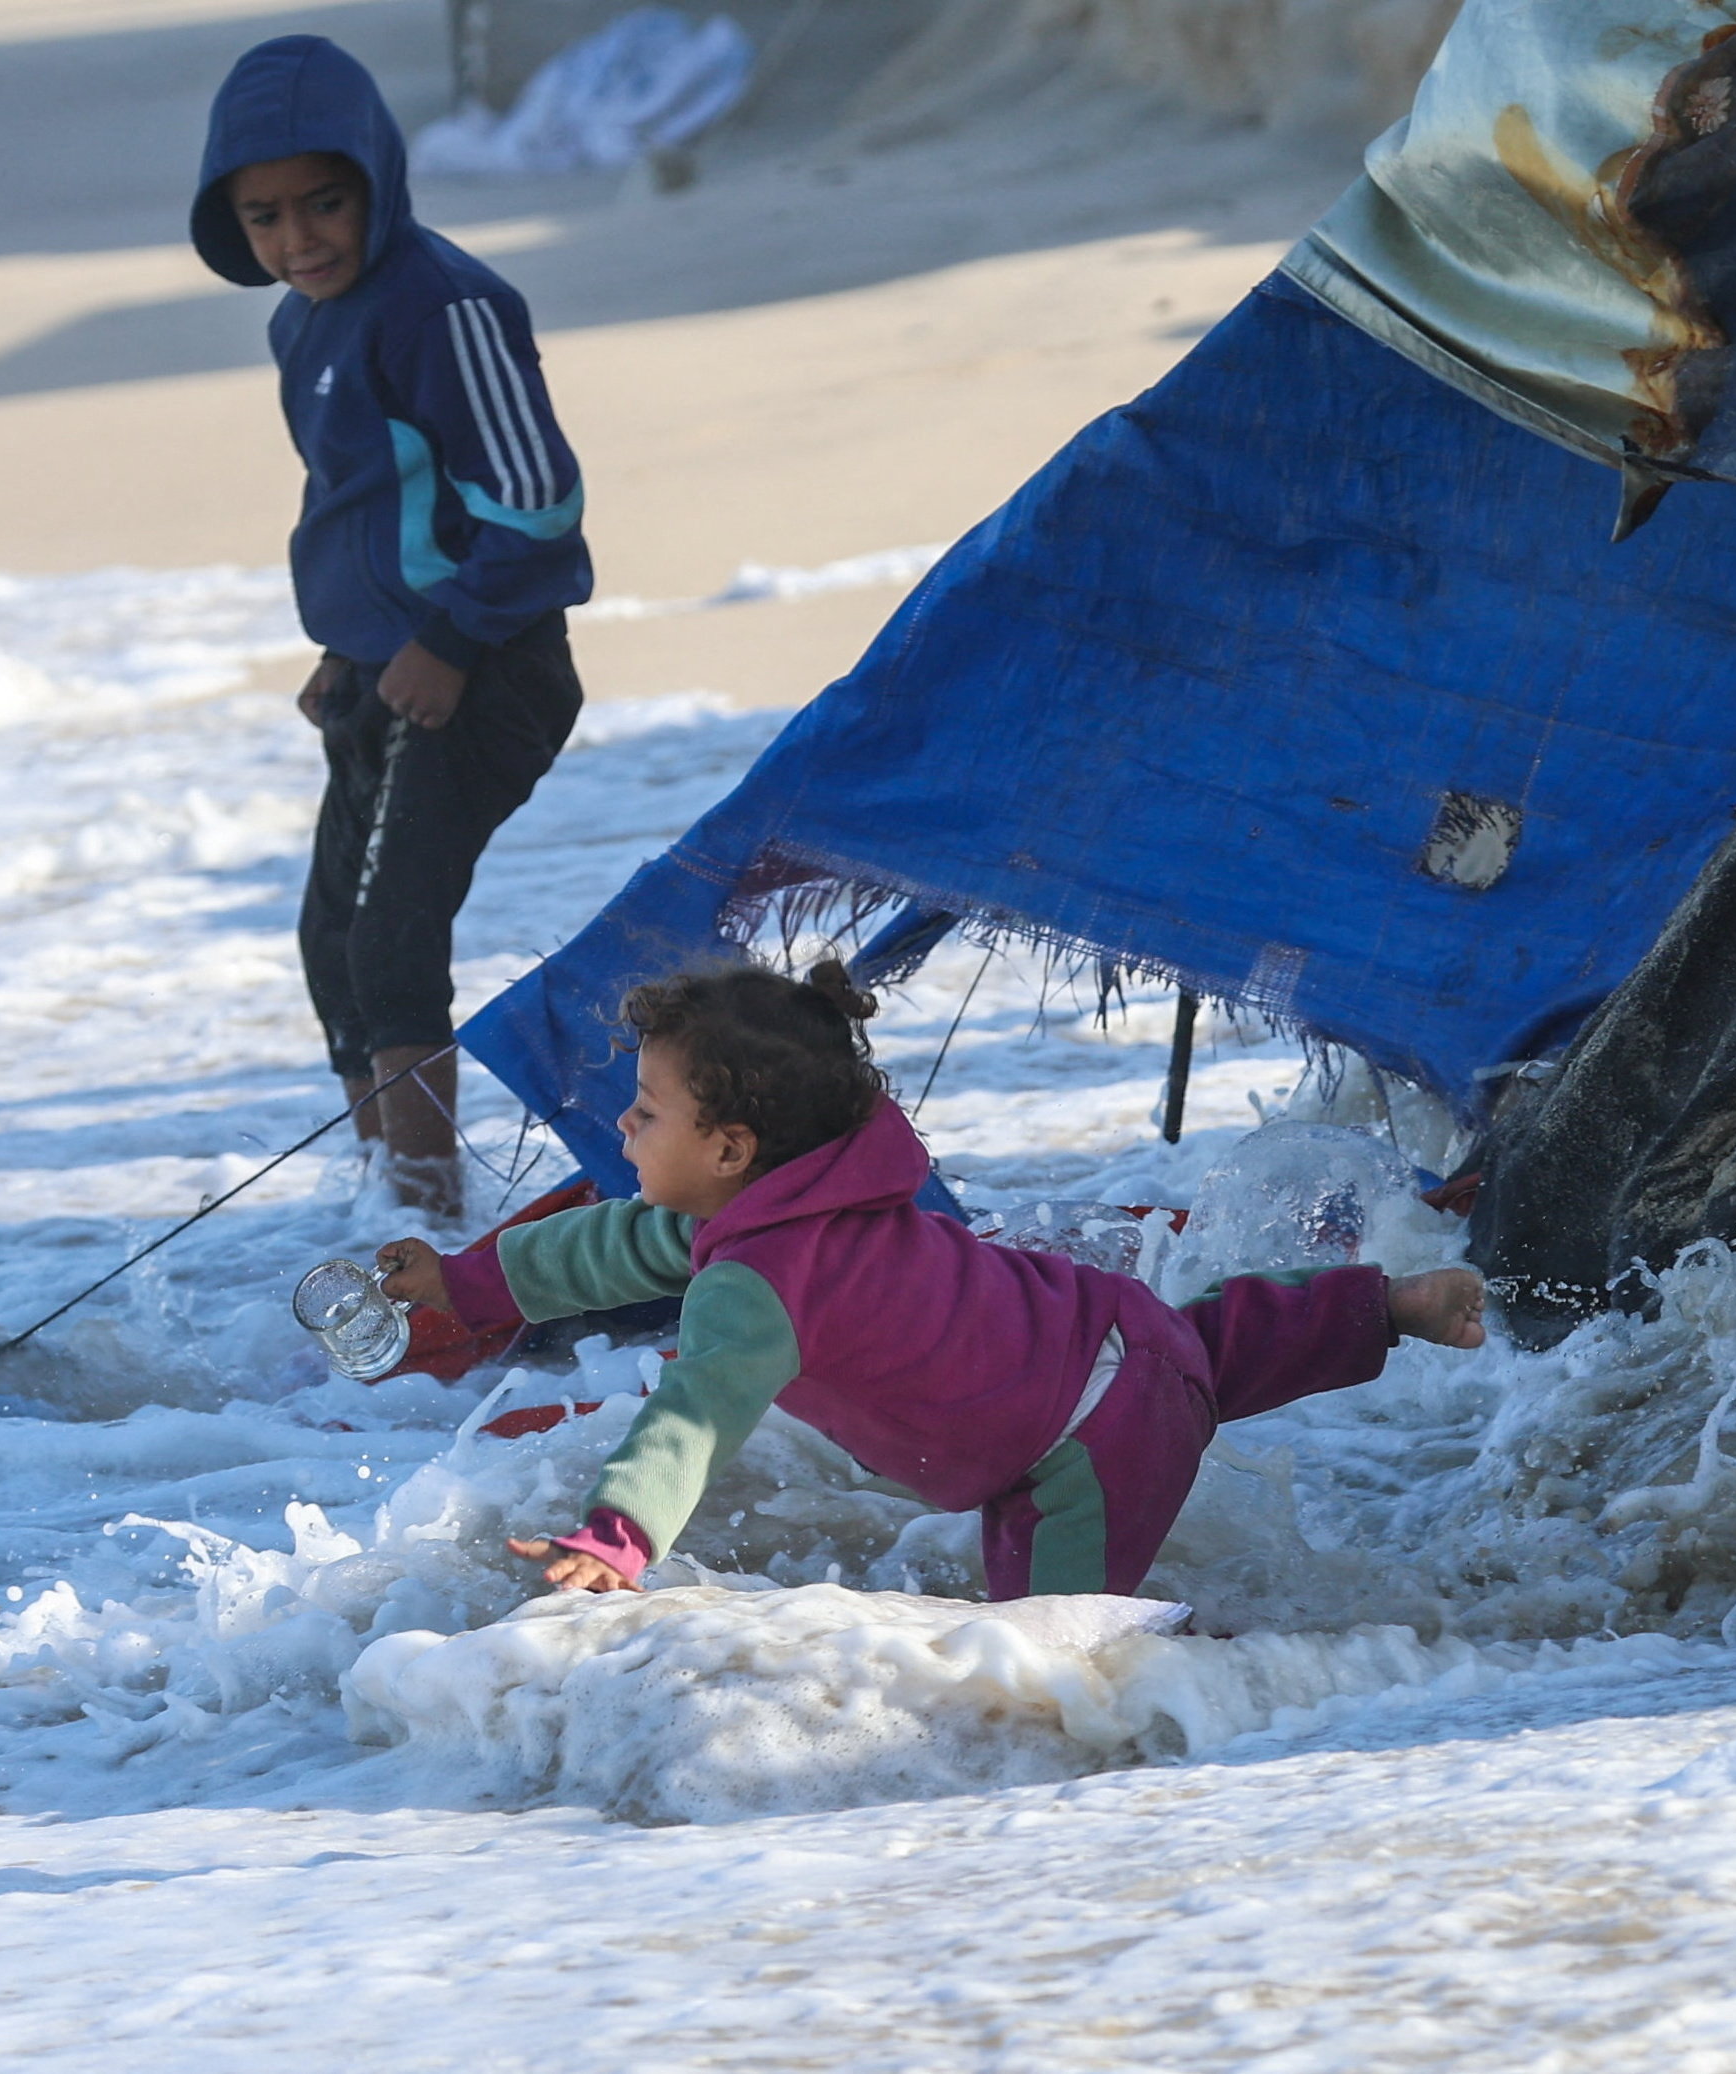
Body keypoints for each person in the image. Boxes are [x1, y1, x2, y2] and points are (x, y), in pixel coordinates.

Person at [375, 962, 1488, 1598]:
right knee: (1198, 1348)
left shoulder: (755, 1283)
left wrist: (616, 1536)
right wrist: (465, 1286)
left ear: (730, 1151)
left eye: (647, 1110)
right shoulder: (791, 1202)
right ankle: (1385, 1304)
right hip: (1097, 1337)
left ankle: (1237, 1706)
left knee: (1057, 1669)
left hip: (1078, 1446)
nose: (622, 1122)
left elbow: (697, 1411)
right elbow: (611, 1245)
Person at [191, 36, 594, 1218]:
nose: (298, 237)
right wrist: (348, 644)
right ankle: (387, 1206)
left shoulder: (446, 303)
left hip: (485, 664)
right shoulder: (300, 325)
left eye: (324, 202)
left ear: (376, 177)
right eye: (263, 216)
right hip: (389, 667)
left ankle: (429, 1219)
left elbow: (537, 505)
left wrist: (451, 640)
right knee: (333, 946)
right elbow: (366, 503)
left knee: (391, 945)